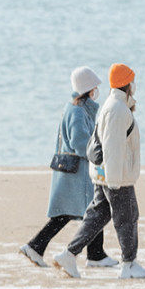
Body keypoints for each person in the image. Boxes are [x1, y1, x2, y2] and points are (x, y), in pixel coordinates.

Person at [51, 62, 145, 280]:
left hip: (104, 174)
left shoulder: (113, 104)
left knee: (96, 218)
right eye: (132, 81)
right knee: (128, 217)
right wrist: (115, 180)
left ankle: (69, 255)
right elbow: (113, 146)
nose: (134, 85)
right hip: (115, 176)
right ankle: (129, 265)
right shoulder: (118, 109)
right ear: (127, 84)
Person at [19, 66, 119, 270]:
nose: (97, 90)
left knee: (76, 212)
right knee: (91, 211)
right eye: (95, 87)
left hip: (72, 172)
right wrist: (98, 153)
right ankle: (92, 254)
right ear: (88, 89)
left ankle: (40, 247)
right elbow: (79, 143)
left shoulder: (77, 108)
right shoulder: (77, 111)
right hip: (76, 173)